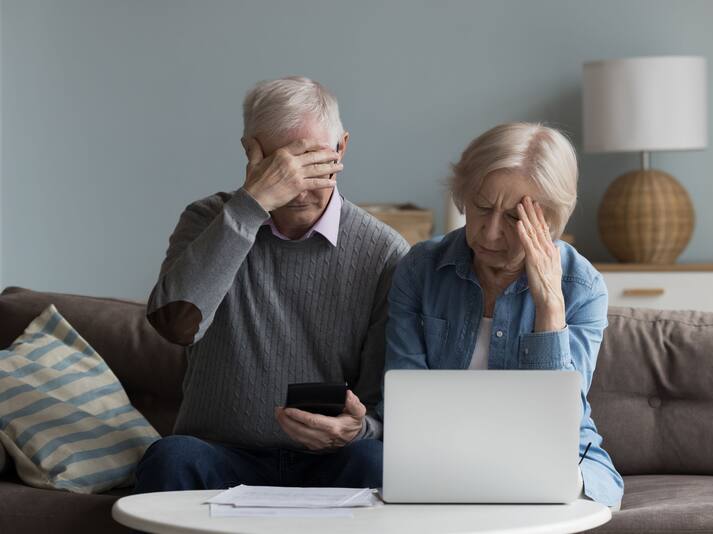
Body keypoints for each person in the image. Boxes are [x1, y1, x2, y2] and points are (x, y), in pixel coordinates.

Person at [134, 76, 408, 492]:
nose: (295, 183)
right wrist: (251, 205)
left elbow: (380, 407)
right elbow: (176, 327)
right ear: (250, 152)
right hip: (219, 455)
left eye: (311, 160)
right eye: (280, 164)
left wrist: (356, 429)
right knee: (171, 456)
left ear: (342, 148)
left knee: (374, 461)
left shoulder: (384, 252)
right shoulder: (207, 219)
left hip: (327, 462)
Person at [381, 122, 624, 510]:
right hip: (438, 456)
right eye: (481, 207)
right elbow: (402, 399)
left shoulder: (582, 286)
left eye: (514, 218)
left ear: (552, 220)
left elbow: (556, 423)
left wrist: (550, 305)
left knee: (563, 487)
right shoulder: (421, 269)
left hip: (552, 458)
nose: (489, 233)